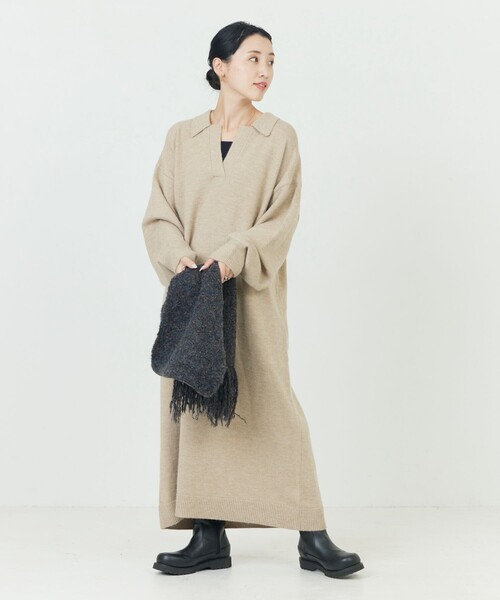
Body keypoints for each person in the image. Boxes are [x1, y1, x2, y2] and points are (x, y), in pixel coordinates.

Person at [141, 21, 364, 579]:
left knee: (272, 402)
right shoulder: (181, 137)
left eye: (271, 61)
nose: (265, 71)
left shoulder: (279, 137)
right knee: (198, 406)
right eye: (253, 59)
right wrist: (179, 257)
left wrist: (234, 255)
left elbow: (281, 218)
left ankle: (312, 534)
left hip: (252, 293)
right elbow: (159, 213)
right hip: (193, 295)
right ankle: (206, 536)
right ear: (220, 66)